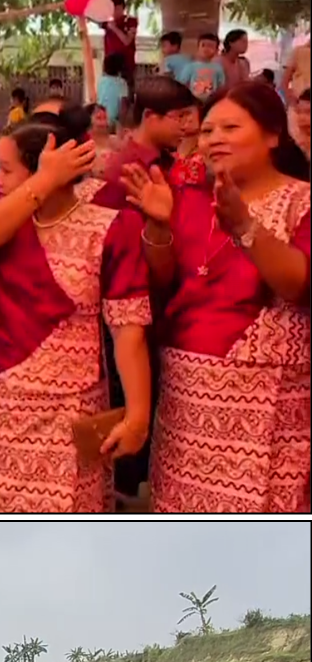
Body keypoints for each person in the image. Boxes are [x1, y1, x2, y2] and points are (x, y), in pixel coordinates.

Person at [124, 82, 310, 512]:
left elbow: (298, 285)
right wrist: (157, 226)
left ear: (272, 135)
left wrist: (245, 226)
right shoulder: (190, 198)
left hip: (267, 401)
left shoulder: (301, 201)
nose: (215, 139)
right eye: (207, 131)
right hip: (186, 400)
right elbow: (167, 279)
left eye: (230, 127)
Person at [0, 114, 152, 512]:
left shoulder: (111, 227)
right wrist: (40, 183)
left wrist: (138, 414)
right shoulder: (0, 216)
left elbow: (127, 331)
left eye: (7, 170)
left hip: (68, 414)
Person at [97, 76, 199, 204]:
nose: (185, 126)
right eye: (180, 117)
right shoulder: (123, 169)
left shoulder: (170, 160)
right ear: (150, 116)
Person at [183, 33, 228, 100]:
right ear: (198, 48)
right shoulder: (190, 67)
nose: (206, 48)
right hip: (193, 101)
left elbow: (221, 86)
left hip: (210, 101)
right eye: (203, 45)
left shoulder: (218, 68)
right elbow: (184, 84)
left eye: (210, 46)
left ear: (216, 50)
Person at [98, 52, 131, 127]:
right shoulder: (122, 83)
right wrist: (122, 124)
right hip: (112, 121)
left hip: (100, 117)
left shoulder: (101, 81)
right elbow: (124, 105)